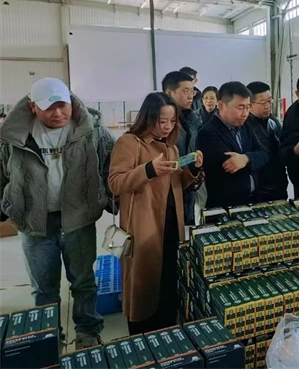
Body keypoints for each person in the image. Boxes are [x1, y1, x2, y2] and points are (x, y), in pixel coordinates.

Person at [0, 78, 113, 349]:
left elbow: (109, 165)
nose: (58, 113)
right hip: (35, 222)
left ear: (71, 101)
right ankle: (49, 337)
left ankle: (87, 333)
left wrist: (108, 198)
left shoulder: (92, 130)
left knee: (83, 281)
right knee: (44, 288)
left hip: (78, 218)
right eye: (49, 108)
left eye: (62, 105)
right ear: (33, 106)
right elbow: (2, 173)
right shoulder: (14, 135)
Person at [109, 93, 201, 334]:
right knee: (143, 284)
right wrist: (148, 170)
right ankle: (142, 335)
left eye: (172, 121)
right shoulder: (130, 143)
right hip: (144, 225)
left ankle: (166, 332)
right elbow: (116, 183)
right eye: (162, 121)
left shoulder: (171, 148)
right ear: (148, 117)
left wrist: (192, 168)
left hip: (171, 223)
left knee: (168, 280)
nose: (167, 127)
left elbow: (176, 183)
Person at [198, 82, 269, 208]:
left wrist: (245, 159)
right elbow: (230, 166)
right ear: (221, 105)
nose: (245, 114)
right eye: (240, 108)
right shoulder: (208, 133)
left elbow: (264, 154)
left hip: (253, 200)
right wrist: (253, 159)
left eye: (248, 107)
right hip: (226, 206)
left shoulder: (245, 126)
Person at [163, 71, 202, 225]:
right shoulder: (160, 125)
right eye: (185, 91)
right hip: (167, 194)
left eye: (192, 91)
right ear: (169, 93)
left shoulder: (193, 120)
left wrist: (195, 171)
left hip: (188, 190)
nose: (190, 96)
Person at [246, 81, 288, 202]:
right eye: (263, 103)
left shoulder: (273, 122)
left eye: (269, 101)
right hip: (259, 189)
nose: (268, 106)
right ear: (250, 105)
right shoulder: (245, 127)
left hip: (278, 184)